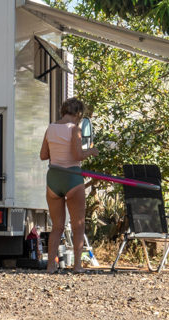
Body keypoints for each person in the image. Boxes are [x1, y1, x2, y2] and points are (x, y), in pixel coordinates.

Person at [39, 97, 98, 273]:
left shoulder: (50, 128)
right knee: (77, 225)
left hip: (54, 177)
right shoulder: (75, 129)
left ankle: (51, 265)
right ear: (79, 114)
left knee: (57, 226)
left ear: (63, 111)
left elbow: (43, 155)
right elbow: (78, 155)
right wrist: (91, 151)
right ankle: (77, 265)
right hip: (72, 176)